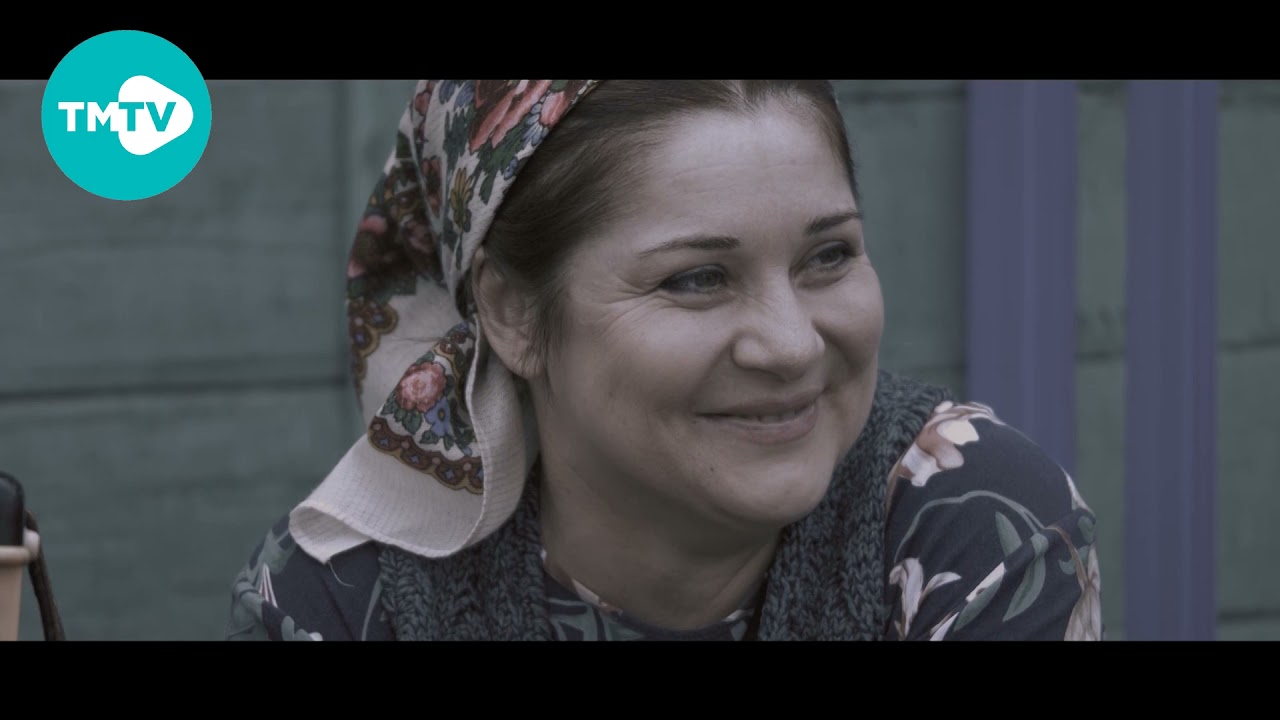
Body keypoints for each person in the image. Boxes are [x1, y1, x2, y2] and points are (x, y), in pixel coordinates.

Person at [224, 80, 1102, 641]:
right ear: (512, 312)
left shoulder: (972, 523)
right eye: (697, 279)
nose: (791, 343)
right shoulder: (343, 595)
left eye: (828, 256)